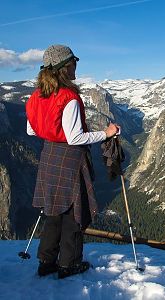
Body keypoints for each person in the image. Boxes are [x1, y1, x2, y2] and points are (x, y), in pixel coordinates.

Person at [26, 44, 120, 279]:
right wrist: (106, 134)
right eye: (74, 62)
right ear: (65, 67)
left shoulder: (36, 96)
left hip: (49, 156)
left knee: (53, 212)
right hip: (70, 158)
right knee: (73, 215)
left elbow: (31, 130)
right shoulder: (69, 97)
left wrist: (52, 134)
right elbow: (75, 137)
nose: (76, 66)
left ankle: (46, 261)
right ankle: (69, 264)